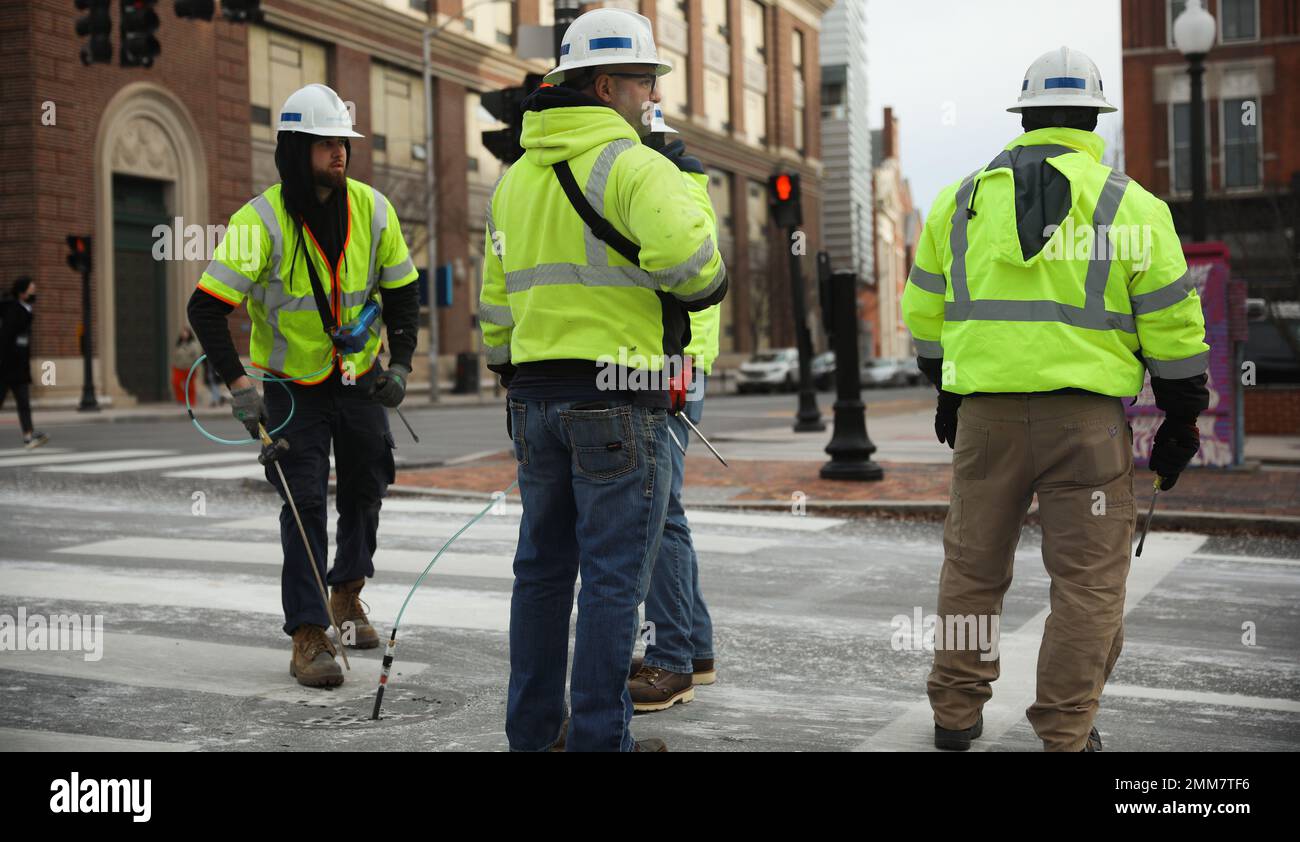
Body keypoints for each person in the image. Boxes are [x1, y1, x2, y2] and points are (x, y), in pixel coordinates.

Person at [901, 47, 1209, 752]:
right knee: (1089, 581)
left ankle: (955, 712)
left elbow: (923, 316)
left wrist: (949, 391)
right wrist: (1181, 417)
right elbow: (1171, 322)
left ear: (1026, 116)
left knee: (972, 570)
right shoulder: (1131, 204)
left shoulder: (960, 199)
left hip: (985, 420)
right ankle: (1066, 732)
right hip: (1086, 428)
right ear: (1092, 118)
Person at [478, 7, 727, 751]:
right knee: (615, 581)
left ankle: (532, 734)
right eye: (645, 81)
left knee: (543, 576)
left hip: (536, 399)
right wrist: (697, 291)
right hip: (621, 400)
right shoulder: (636, 166)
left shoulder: (516, 179)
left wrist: (516, 367)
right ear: (608, 82)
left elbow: (496, 307)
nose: (650, 96)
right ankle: (597, 741)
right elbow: (695, 269)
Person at [187, 83, 420, 688]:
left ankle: (347, 593)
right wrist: (239, 384)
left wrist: (400, 367)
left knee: (369, 481)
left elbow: (402, 294)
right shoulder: (258, 220)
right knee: (304, 501)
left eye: (342, 141)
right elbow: (206, 308)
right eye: (324, 143)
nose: (338, 152)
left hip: (359, 378)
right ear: (295, 149)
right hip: (292, 387)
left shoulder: (374, 208)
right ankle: (308, 633)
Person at [627, 105, 720, 711]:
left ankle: (672, 661)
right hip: (677, 363)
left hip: (670, 365)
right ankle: (695, 648)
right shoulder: (684, 183)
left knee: (660, 518)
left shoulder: (666, 185)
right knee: (668, 511)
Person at [0, 277, 48, 449]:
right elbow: (6, 338)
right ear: (21, 293)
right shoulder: (14, 310)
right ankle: (28, 436)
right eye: (31, 291)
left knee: (24, 403)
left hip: (19, 368)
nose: (34, 294)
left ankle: (28, 437)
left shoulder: (25, 309)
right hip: (7, 367)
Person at [170, 326, 203, 405]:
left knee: (190, 386)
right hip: (178, 367)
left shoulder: (193, 345)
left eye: (186, 332)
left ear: (189, 334)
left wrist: (195, 367)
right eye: (183, 332)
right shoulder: (179, 344)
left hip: (189, 367)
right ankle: (181, 399)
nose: (184, 334)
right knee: (175, 383)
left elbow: (197, 356)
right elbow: (174, 355)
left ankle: (191, 402)